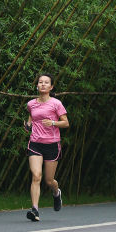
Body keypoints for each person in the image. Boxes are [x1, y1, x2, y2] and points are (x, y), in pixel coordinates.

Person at [22, 73, 68, 221]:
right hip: (35, 143)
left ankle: (56, 193)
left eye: (46, 82)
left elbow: (66, 123)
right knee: (36, 176)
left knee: (49, 180)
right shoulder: (31, 104)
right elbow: (31, 118)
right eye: (40, 82)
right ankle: (35, 210)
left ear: (51, 87)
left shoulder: (56, 103)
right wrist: (28, 126)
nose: (43, 84)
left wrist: (53, 123)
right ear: (37, 85)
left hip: (52, 145)